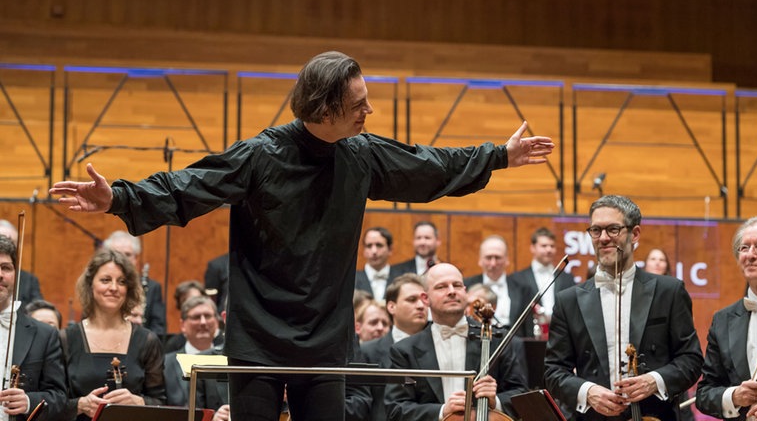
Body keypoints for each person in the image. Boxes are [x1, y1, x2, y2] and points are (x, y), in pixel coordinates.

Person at [49, 50, 554, 420]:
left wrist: (499, 156)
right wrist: (117, 198)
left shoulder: (361, 153)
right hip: (258, 340)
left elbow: (427, 166)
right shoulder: (260, 155)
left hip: (325, 340)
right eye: (358, 104)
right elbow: (187, 186)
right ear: (325, 109)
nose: (369, 112)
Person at [544, 195, 703, 420]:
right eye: (596, 230)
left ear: (634, 234)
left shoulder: (669, 291)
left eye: (613, 229)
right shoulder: (568, 301)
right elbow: (553, 371)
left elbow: (691, 359)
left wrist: (654, 381)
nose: (603, 238)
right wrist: (587, 392)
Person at [385, 263, 528, 420]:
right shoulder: (405, 351)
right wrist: (442, 412)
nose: (452, 291)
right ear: (425, 298)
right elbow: (396, 409)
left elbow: (522, 395)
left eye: (457, 285)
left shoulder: (498, 340)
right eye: (441, 287)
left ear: (465, 292)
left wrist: (496, 401)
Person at [59, 249, 166, 420]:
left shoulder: (147, 341)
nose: (114, 288)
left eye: (122, 282)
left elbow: (161, 402)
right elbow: (52, 402)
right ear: (90, 284)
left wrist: (139, 402)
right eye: (105, 280)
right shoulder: (66, 339)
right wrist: (79, 405)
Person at [696, 216, 757, 420]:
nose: (750, 255)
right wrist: (733, 396)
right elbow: (704, 393)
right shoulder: (723, 320)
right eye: (744, 248)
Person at [0, 235, 67, 420]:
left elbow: (60, 398)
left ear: (16, 275)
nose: (0, 274)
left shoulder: (44, 335)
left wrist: (29, 402)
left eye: (6, 268)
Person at [355, 273, 428, 421]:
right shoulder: (367, 352)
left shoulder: (438, 346)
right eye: (412, 300)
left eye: (424, 299)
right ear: (391, 306)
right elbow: (362, 404)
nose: (421, 306)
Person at [509, 227, 575, 336]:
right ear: (533, 248)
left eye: (552, 246)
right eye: (544, 246)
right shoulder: (517, 278)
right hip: (529, 338)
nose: (549, 250)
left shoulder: (567, 278)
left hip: (560, 336)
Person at [164, 296, 226, 410]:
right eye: (196, 317)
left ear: (217, 322)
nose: (203, 322)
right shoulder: (165, 363)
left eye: (207, 316)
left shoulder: (226, 361)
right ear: (183, 325)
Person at [102, 230, 166, 336]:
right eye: (117, 254)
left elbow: (158, 329)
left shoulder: (152, 287)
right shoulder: (100, 287)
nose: (123, 259)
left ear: (136, 258)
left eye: (128, 254)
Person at [463, 235, 516, 327]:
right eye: (488, 258)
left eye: (498, 257)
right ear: (480, 260)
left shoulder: (523, 288)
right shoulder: (466, 285)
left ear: (507, 259)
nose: (493, 263)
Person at [354, 227, 410, 301]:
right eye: (369, 246)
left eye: (379, 245)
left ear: (390, 249)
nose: (374, 251)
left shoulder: (403, 279)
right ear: (364, 250)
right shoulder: (353, 279)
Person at [0, 219, 43, 309]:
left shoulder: (29, 280)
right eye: (2, 240)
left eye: (11, 242)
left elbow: (38, 309)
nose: (5, 246)